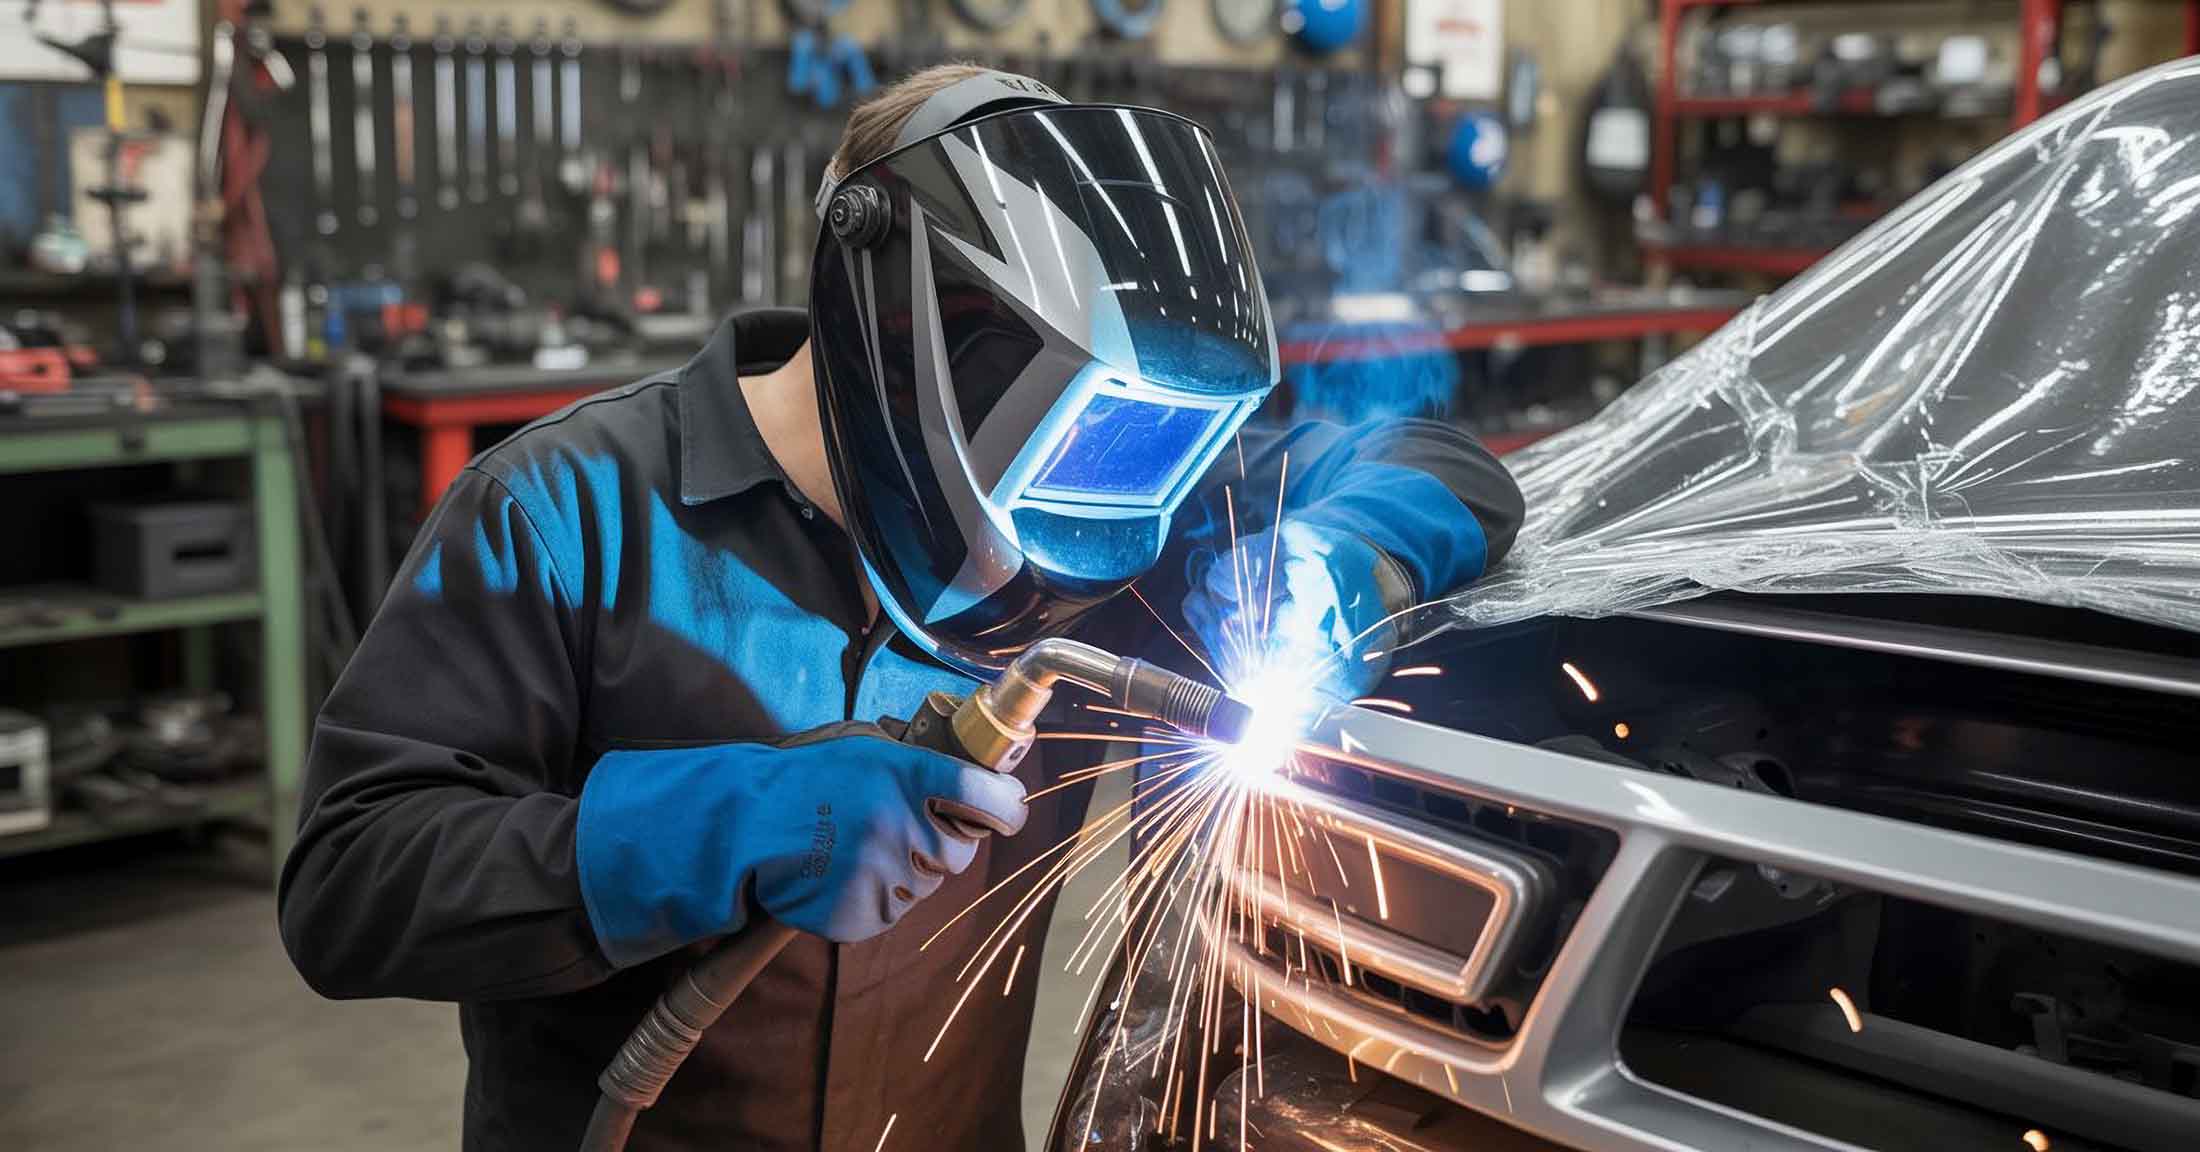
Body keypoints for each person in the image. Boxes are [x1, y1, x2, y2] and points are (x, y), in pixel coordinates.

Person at [278, 65, 1524, 1152]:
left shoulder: (1119, 503)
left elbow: (1446, 467)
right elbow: (349, 882)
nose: (1033, 545)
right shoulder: (564, 511)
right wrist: (724, 828)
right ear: (911, 325)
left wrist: (1343, 557)